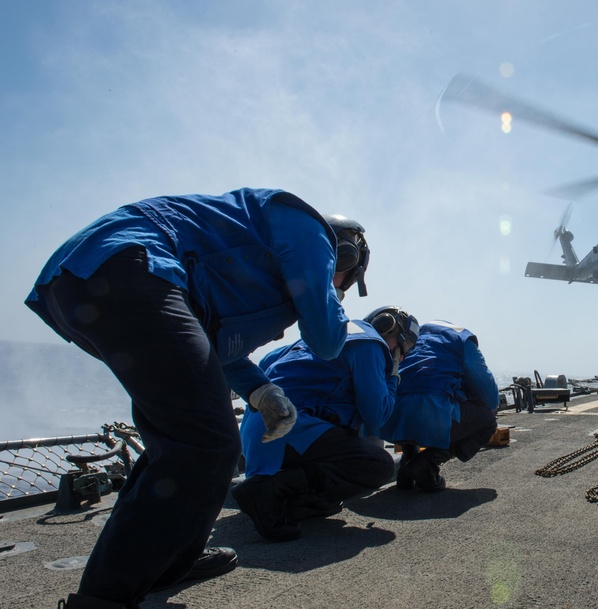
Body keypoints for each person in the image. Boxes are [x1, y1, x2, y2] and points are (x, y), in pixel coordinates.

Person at [26, 188, 369, 609]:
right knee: (205, 444)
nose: (337, 287)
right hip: (133, 265)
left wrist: (260, 389)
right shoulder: (309, 229)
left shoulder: (250, 257)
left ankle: (168, 560)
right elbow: (326, 339)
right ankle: (104, 600)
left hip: (85, 283)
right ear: (346, 258)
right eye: (344, 280)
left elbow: (208, 342)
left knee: (178, 442)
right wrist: (331, 295)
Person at [233, 306, 420, 541]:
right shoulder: (371, 344)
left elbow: (265, 367)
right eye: (405, 347)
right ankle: (268, 491)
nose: (402, 356)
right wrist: (393, 377)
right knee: (376, 464)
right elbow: (377, 416)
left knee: (334, 478)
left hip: (256, 436)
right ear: (388, 329)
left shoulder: (315, 338)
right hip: (289, 431)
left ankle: (291, 499)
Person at [377, 320, 499, 492]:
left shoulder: (412, 339)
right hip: (430, 416)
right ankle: (427, 463)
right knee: (487, 421)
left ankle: (408, 462)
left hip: (389, 421)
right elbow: (491, 398)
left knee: (414, 398)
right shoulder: (462, 340)